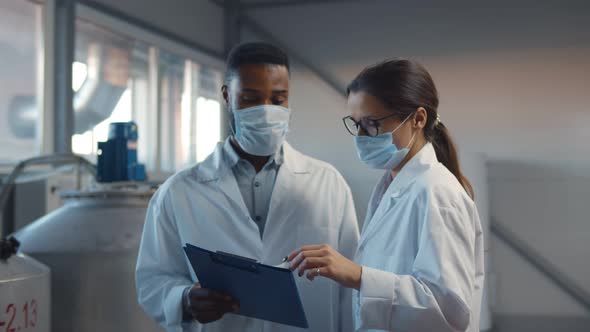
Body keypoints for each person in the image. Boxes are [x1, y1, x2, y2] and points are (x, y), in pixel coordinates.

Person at [135, 42, 359, 332]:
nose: (266, 111)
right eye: (251, 99)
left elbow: (351, 285)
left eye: (278, 100)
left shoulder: (328, 184)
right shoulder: (179, 191)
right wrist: (185, 299)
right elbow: (153, 281)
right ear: (227, 96)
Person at [289, 59, 484, 332]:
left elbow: (449, 311)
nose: (360, 136)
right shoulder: (392, 186)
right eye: (355, 124)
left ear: (417, 118)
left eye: (371, 123)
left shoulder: (438, 192)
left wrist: (358, 276)